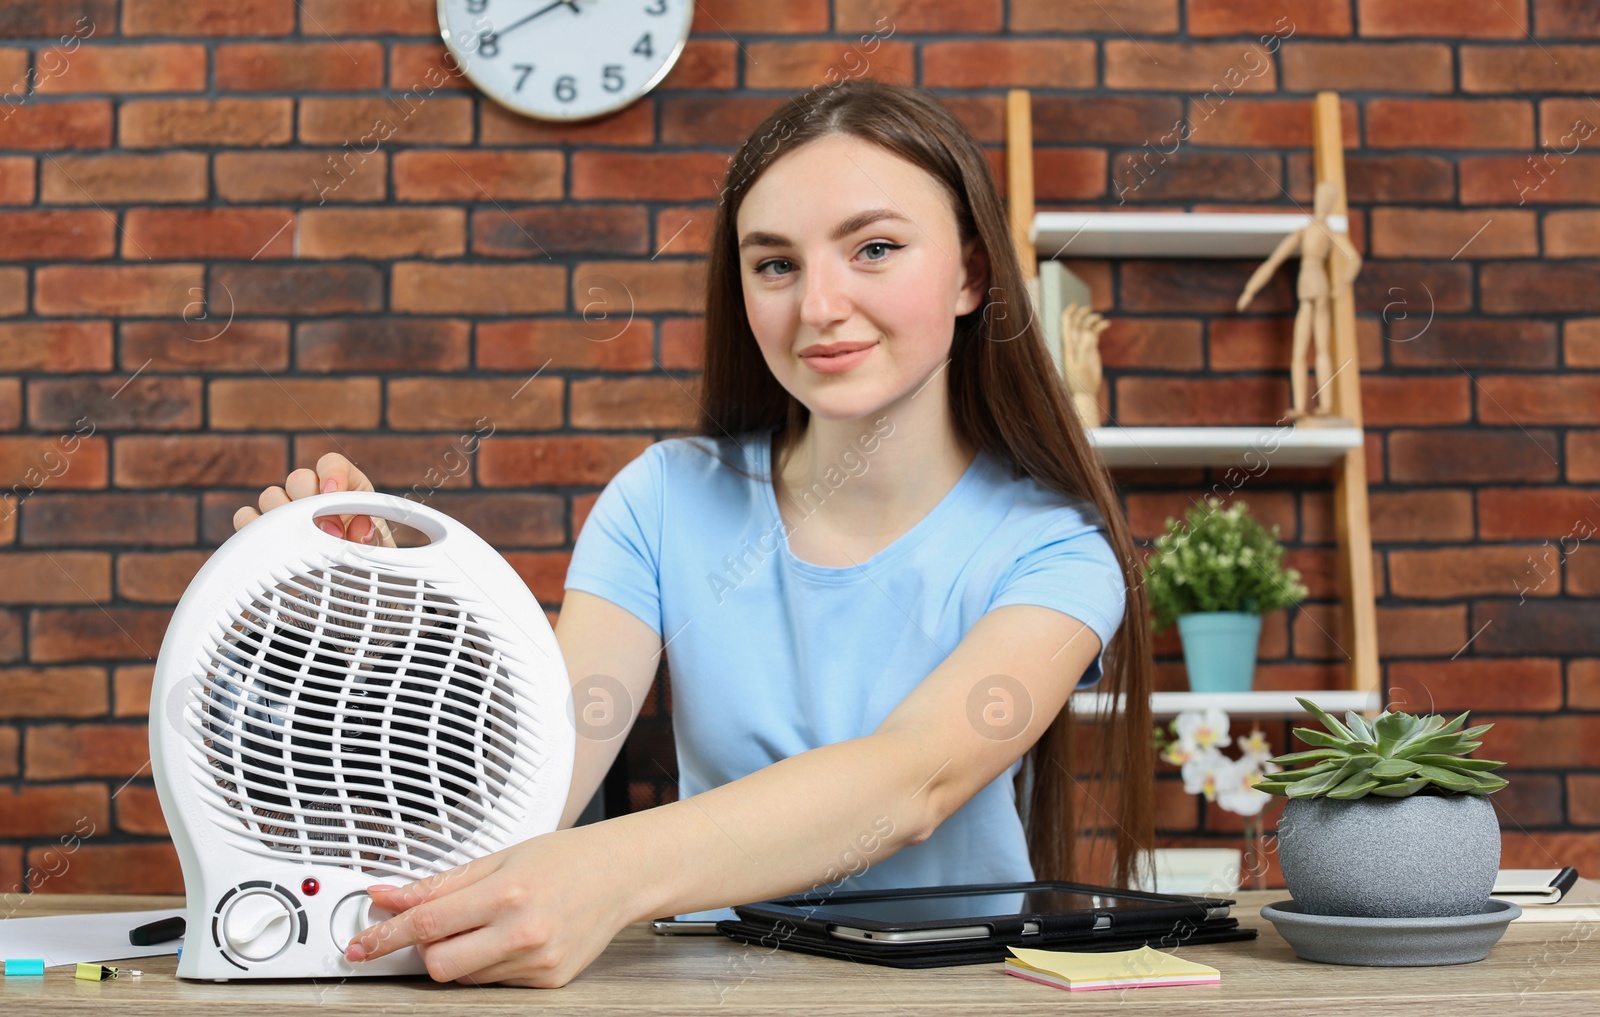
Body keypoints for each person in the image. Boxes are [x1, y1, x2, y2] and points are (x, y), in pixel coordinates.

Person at [233, 78, 1154, 988]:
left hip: (957, 993)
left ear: (971, 275)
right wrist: (363, 625)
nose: (819, 305)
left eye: (874, 248)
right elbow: (535, 777)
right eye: (775, 264)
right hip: (707, 987)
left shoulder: (1056, 548)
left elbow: (908, 785)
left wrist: (607, 870)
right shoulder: (663, 501)